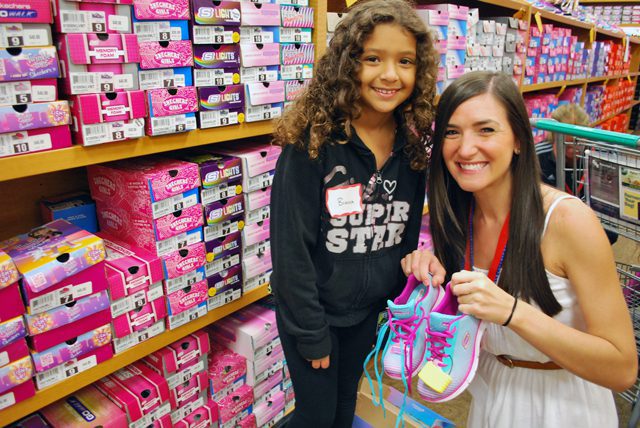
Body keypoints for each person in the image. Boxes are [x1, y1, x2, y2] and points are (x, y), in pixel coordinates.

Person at [402, 71, 637, 427]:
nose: (465, 148)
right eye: (452, 132)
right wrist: (428, 271)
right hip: (490, 396)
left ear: (518, 140)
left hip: (562, 407)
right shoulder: (456, 217)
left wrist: (513, 312)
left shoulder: (568, 222)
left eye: (486, 130)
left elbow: (622, 369)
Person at [270, 0, 439, 426]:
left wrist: (398, 303)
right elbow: (291, 251)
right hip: (315, 316)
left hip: (369, 315)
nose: (390, 75)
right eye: (373, 59)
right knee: (316, 416)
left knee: (346, 406)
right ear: (348, 64)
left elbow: (404, 235)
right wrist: (311, 333)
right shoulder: (315, 143)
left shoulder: (413, 145)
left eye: (405, 61)